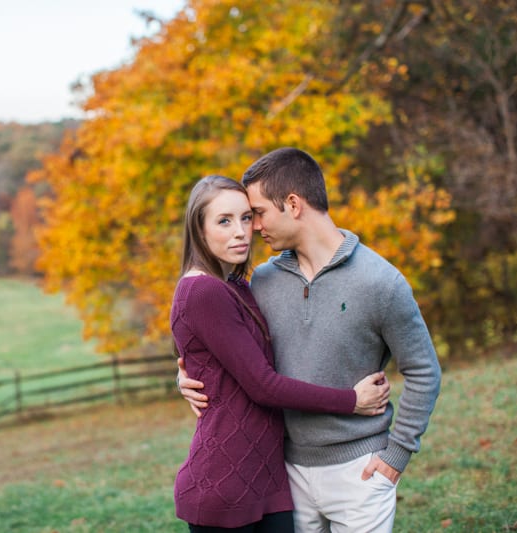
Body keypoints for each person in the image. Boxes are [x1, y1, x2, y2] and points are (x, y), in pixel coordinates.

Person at [178, 149, 442, 532]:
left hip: (360, 471)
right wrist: (186, 375)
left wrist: (396, 455)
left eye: (257, 214)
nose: (250, 228)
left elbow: (423, 371)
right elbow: (220, 341)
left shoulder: (380, 282)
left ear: (293, 204)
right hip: (286, 474)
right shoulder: (263, 281)